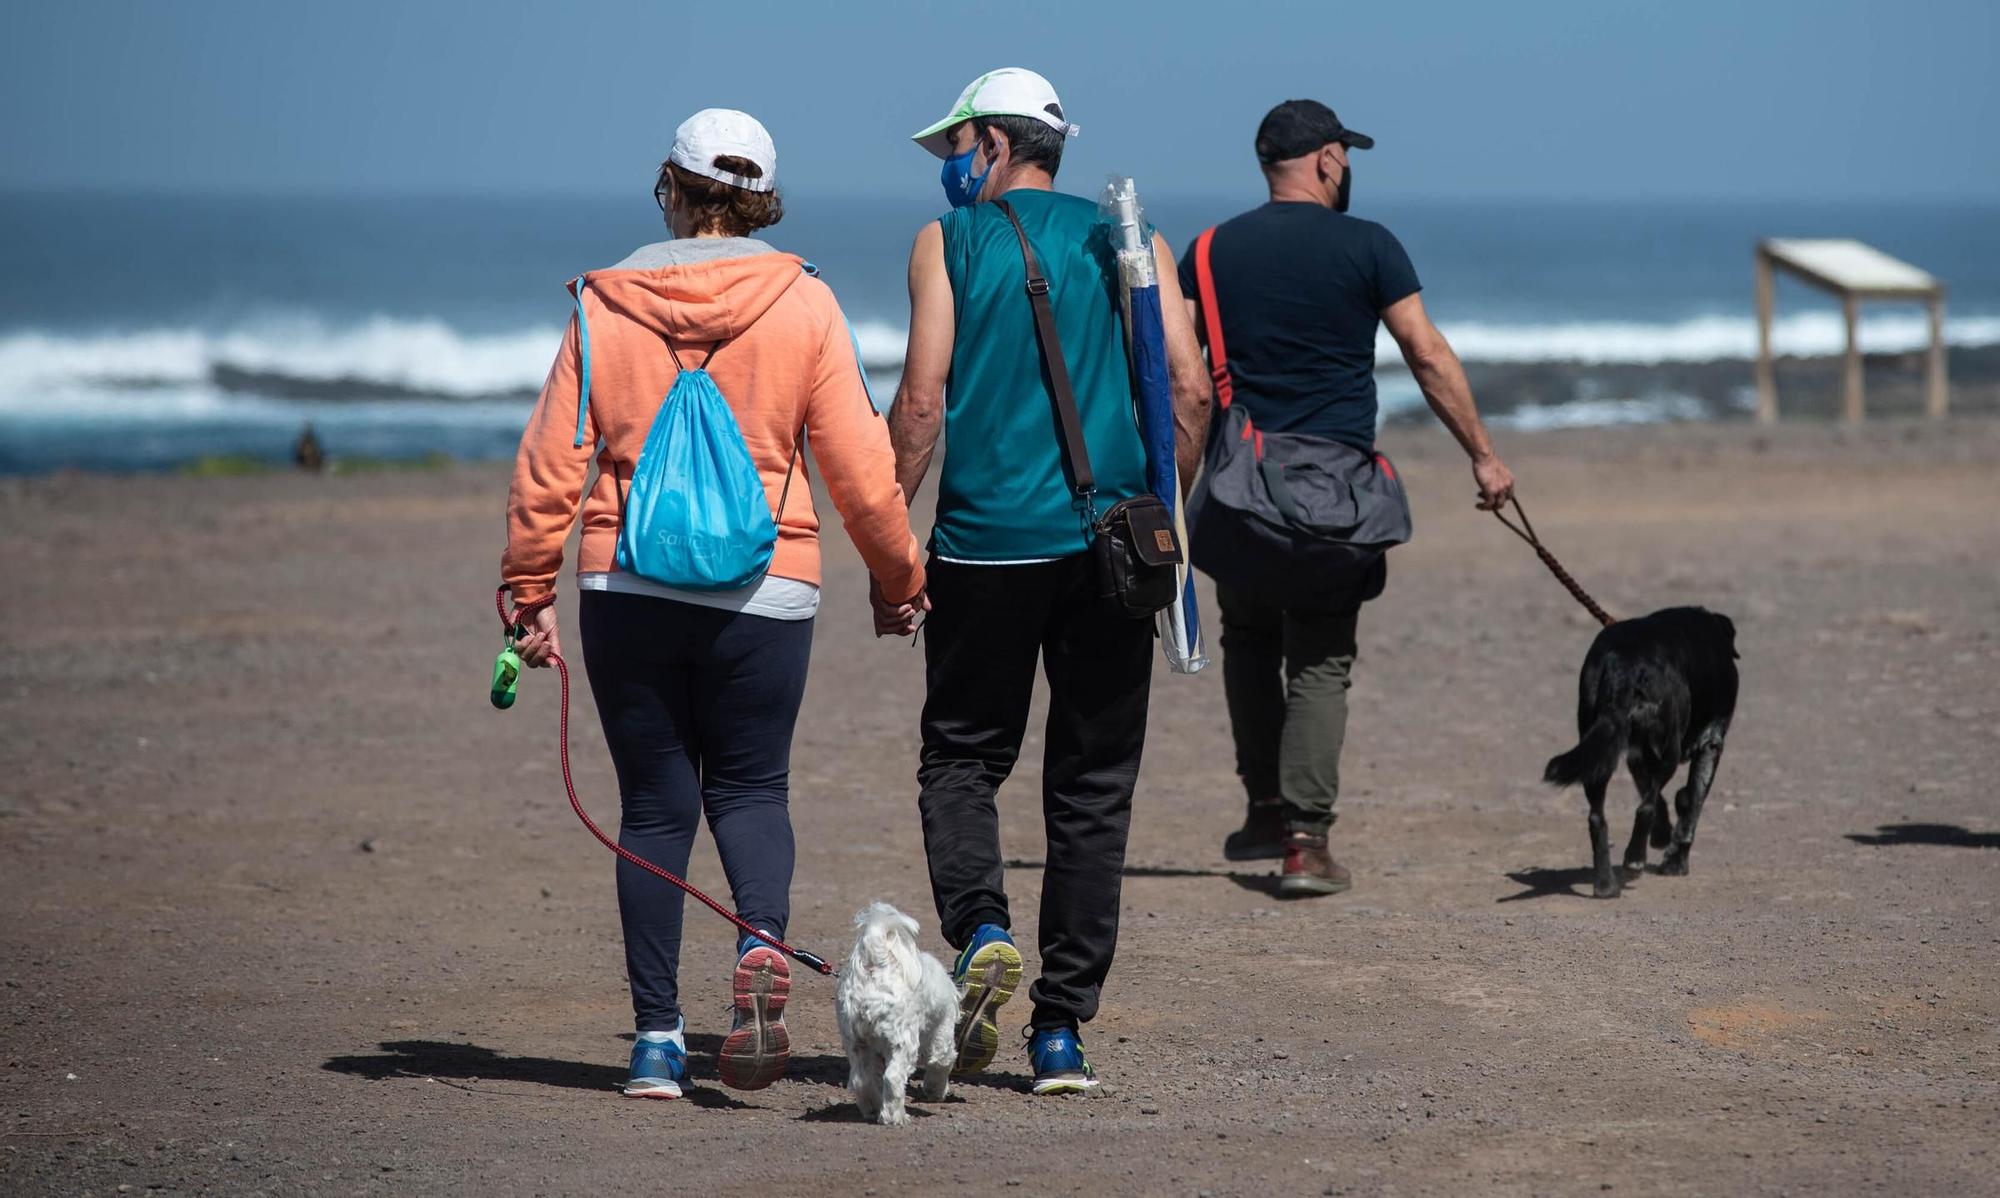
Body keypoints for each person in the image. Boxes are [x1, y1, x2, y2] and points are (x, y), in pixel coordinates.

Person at [502, 109, 925, 1100]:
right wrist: (899, 579)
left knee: (654, 805)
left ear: (672, 184)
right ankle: (760, 950)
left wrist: (527, 588)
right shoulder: (805, 302)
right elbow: (861, 469)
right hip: (767, 585)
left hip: (626, 583)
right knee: (749, 789)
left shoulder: (604, 302)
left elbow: (550, 462)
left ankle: (655, 1042)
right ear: (763, 196)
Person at [880, 68, 1210, 1095]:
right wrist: (1164, 507)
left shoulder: (947, 244)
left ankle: (981, 925)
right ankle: (1060, 1031)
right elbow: (1189, 388)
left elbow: (922, 404)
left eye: (954, 153)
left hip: (982, 547)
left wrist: (890, 542)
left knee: (961, 759)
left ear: (988, 141)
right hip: (1116, 548)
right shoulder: (1134, 237)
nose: (950, 173)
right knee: (1091, 786)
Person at [1179, 99, 1515, 894]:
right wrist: (1484, 457)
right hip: (1335, 494)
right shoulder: (1370, 246)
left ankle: (1264, 810)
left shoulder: (1209, 249)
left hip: (1239, 489)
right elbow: (1426, 355)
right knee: (1321, 658)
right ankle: (1305, 843)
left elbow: (1183, 379)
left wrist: (1170, 486)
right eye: (1346, 156)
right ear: (1329, 159)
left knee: (1250, 642)